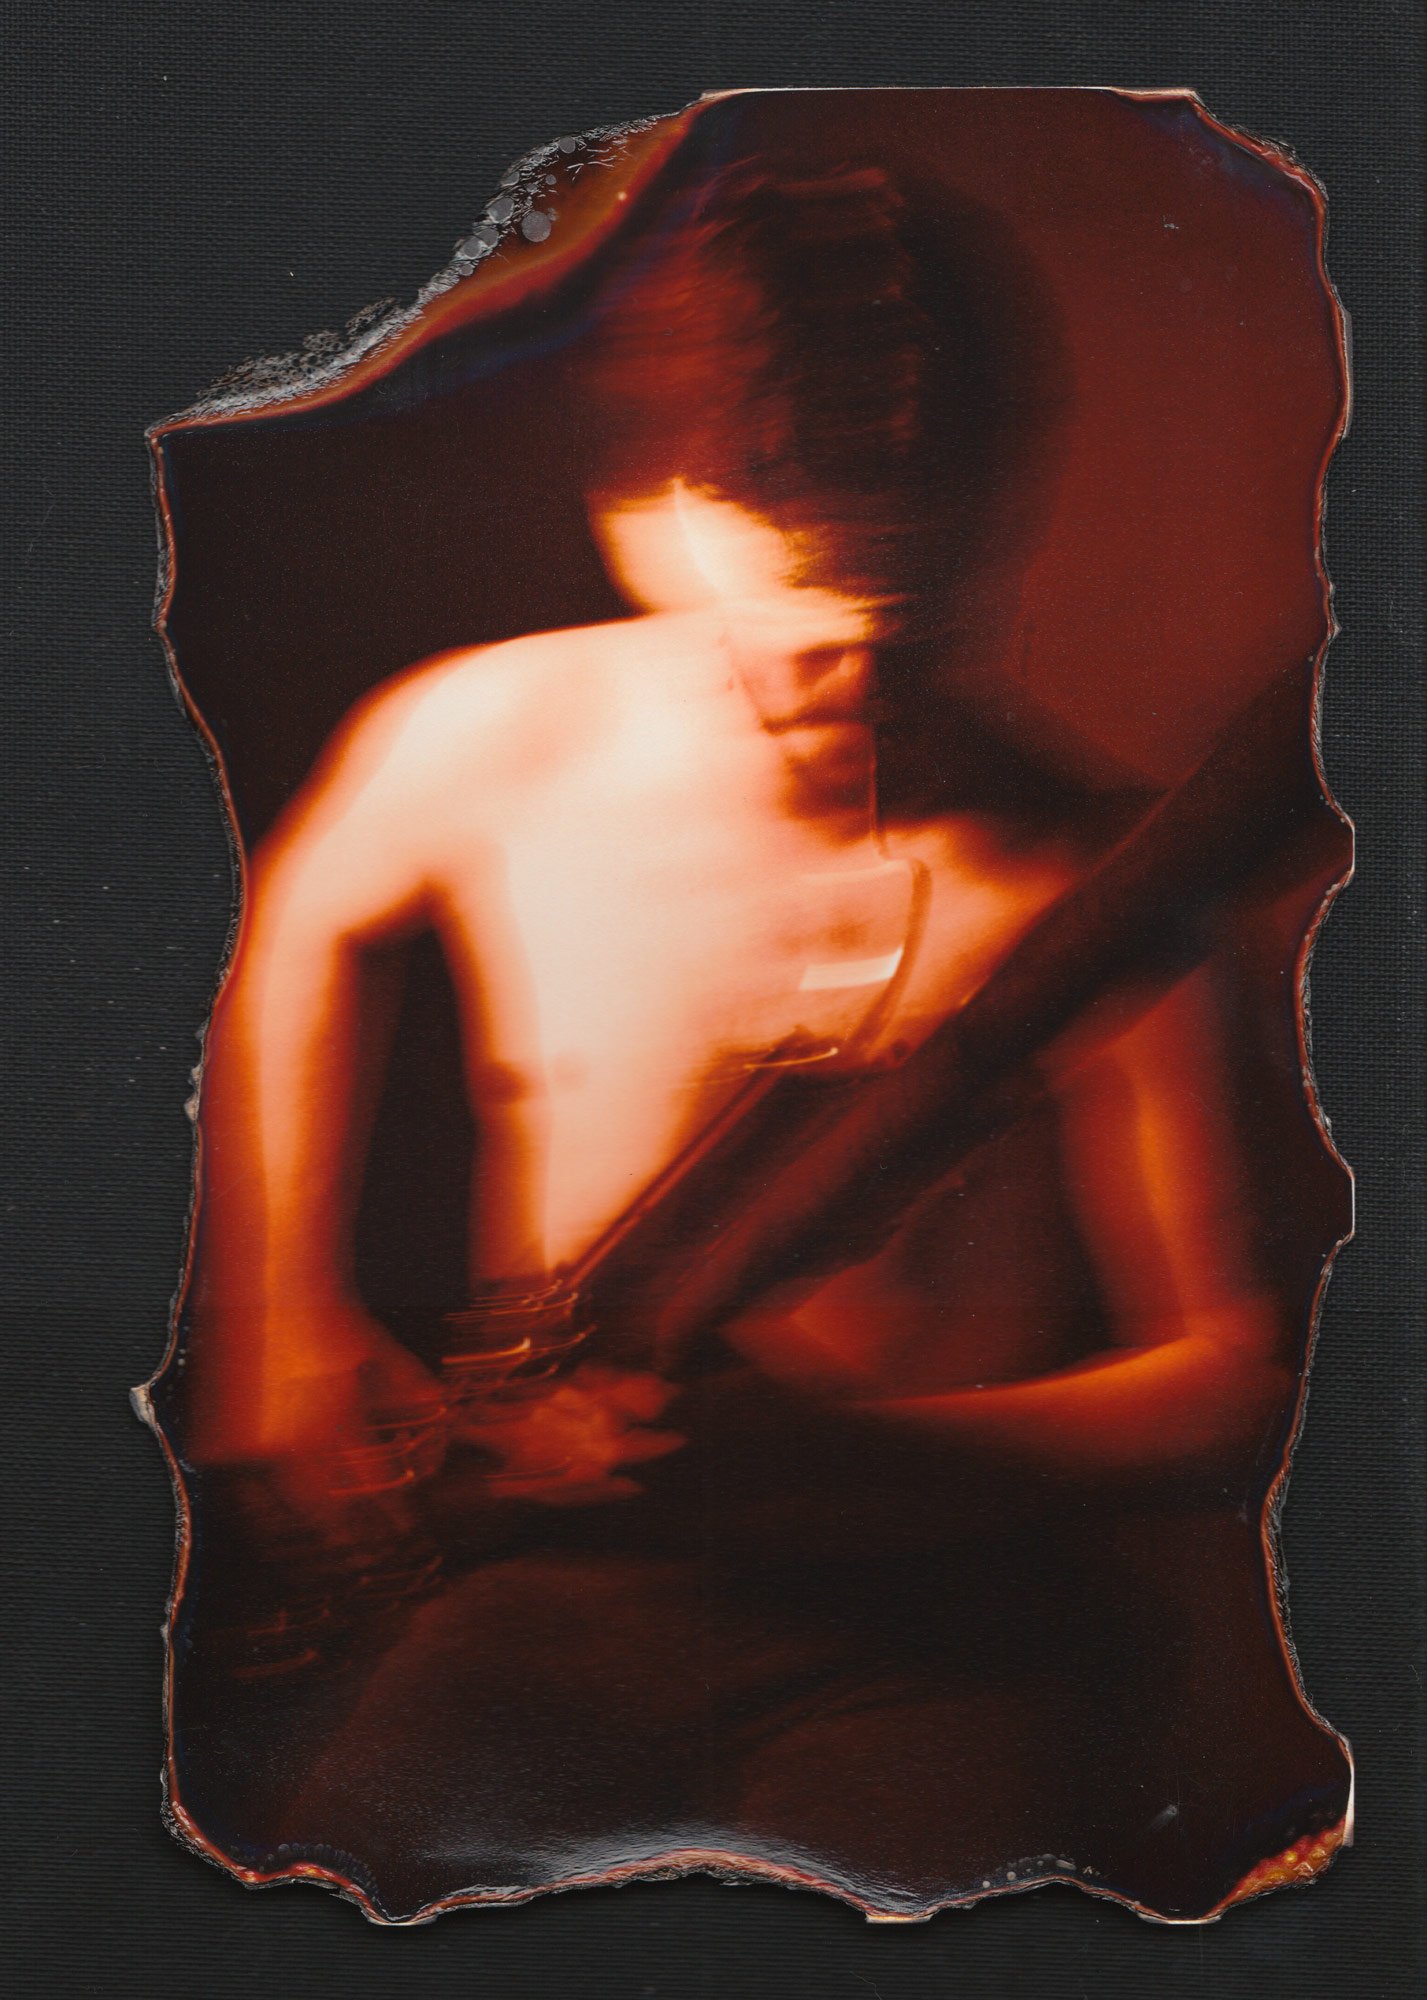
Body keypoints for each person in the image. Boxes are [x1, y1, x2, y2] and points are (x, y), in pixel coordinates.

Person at [177, 159, 1349, 1919]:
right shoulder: (491, 740)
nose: (847, 694)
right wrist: (280, 1327)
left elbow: (1231, 1377)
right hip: (544, 1589)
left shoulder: (1094, 886)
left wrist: (871, 1456)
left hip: (936, 1623)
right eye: (788, 634)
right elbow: (299, 923)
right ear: (639, 522)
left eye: (907, 620)